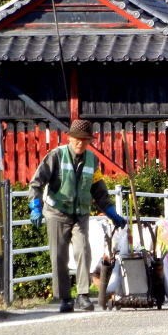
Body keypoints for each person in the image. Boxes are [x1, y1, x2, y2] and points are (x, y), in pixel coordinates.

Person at [29, 119, 127, 313]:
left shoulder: (92, 160)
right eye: (77, 139)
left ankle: (83, 296)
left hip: (80, 214)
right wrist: (35, 205)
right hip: (57, 211)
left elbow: (98, 190)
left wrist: (110, 211)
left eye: (85, 140)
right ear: (70, 138)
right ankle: (65, 298)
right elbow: (36, 182)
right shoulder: (56, 156)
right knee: (59, 255)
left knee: (83, 250)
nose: (80, 143)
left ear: (90, 141)